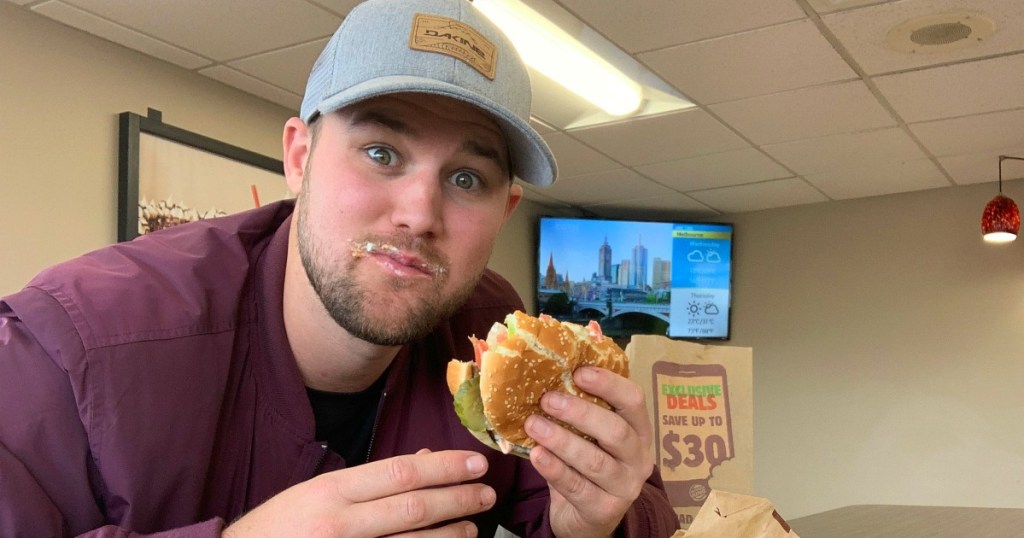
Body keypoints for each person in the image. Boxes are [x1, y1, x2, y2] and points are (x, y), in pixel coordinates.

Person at [0, 0, 679, 536]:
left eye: (467, 178)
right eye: (381, 153)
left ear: (505, 211)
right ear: (299, 159)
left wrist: (597, 525)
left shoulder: (497, 339)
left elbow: (616, 513)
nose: (419, 213)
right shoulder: (70, 346)